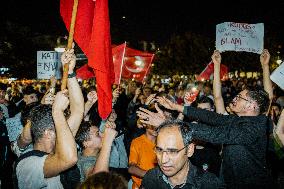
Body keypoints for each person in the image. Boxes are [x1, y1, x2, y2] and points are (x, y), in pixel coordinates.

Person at [140, 120, 223, 189]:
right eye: (159, 150)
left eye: (172, 151)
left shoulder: (209, 184)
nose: (163, 160)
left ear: (189, 150)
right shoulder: (151, 177)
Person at [128, 118, 157, 189]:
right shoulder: (137, 142)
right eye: (152, 124)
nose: (156, 127)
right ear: (145, 124)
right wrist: (153, 176)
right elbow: (131, 168)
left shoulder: (162, 142)